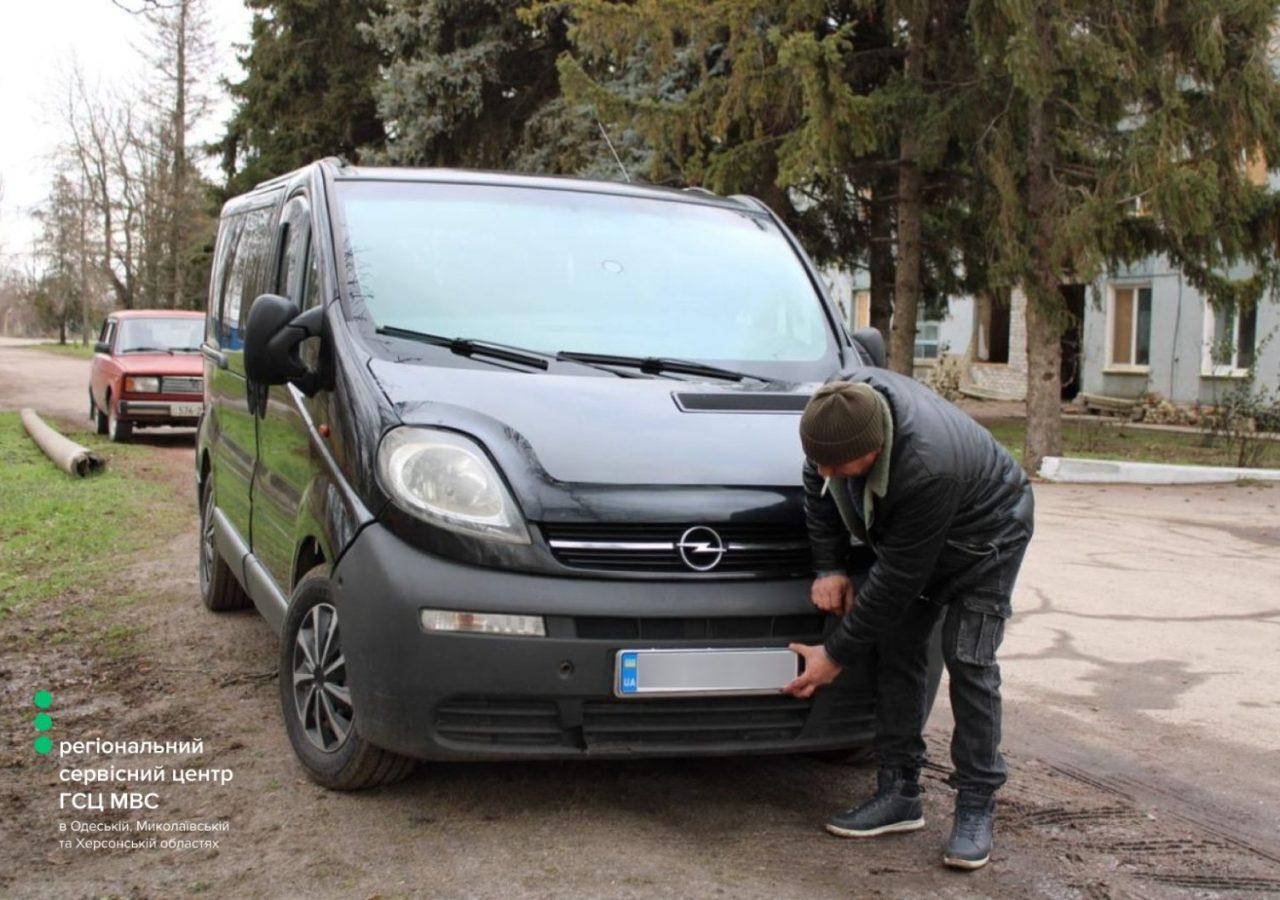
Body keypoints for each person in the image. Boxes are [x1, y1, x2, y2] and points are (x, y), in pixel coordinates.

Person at [782, 374, 1034, 870]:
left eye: (838, 464)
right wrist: (829, 566)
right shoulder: (837, 417)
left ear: (873, 450)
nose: (826, 471)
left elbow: (898, 577)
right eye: (819, 460)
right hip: (919, 535)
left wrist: (835, 655)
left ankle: (976, 804)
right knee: (898, 646)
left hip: (988, 539)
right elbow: (819, 485)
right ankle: (899, 793)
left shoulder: (927, 467)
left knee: (969, 659)